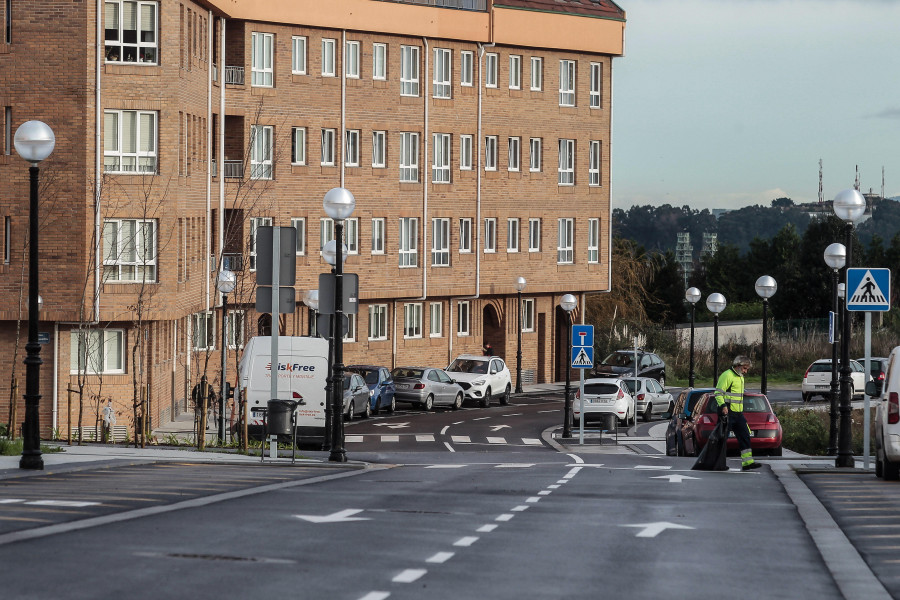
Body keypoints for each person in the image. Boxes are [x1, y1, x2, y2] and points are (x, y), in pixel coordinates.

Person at [716, 355, 761, 471]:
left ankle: (747, 463)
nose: (746, 371)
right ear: (738, 366)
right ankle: (718, 463)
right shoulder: (727, 375)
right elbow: (718, 393)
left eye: (747, 369)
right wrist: (723, 406)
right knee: (722, 439)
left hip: (738, 413)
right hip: (728, 412)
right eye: (745, 368)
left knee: (745, 435)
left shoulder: (740, 377)